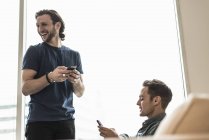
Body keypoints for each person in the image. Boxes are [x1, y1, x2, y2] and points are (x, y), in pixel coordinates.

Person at [22, 9, 85, 140]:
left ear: (57, 25)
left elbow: (80, 93)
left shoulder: (74, 55)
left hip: (66, 122)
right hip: (39, 123)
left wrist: (76, 81)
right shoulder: (34, 51)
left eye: (44, 24)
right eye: (38, 26)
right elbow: (25, 88)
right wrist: (50, 77)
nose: (40, 29)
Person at [98, 79, 172, 139]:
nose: (137, 103)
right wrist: (117, 137)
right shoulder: (150, 126)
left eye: (142, 98)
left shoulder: (160, 129)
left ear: (156, 100)